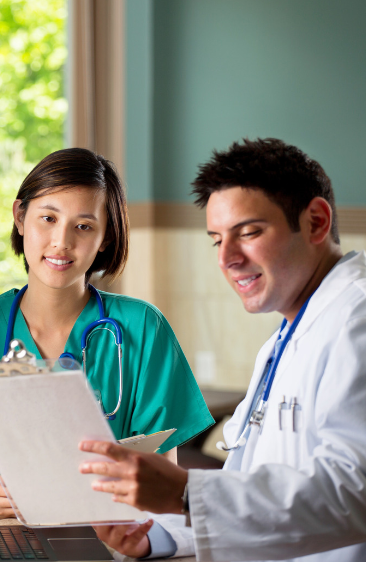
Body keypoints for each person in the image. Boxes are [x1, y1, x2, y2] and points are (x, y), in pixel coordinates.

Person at [81, 138, 366, 561]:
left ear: (316, 222)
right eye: (217, 240)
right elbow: (250, 490)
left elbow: (352, 492)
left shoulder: (356, 320)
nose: (227, 258)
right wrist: (154, 535)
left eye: (248, 233)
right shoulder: (288, 335)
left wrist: (184, 493)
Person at [0, 148, 214, 531]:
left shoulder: (143, 328)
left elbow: (163, 476)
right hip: (1, 537)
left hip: (111, 536)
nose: (62, 241)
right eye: (48, 218)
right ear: (20, 217)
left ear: (106, 237)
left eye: (84, 226)